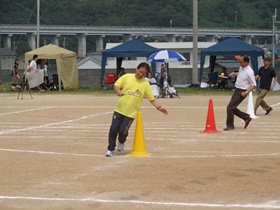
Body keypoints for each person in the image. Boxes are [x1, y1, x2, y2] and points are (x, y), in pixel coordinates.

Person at [106, 62, 168, 157]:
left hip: (131, 113)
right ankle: (110, 149)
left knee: (123, 131)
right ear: (136, 69)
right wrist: (118, 91)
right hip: (119, 109)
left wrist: (159, 107)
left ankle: (121, 141)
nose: (140, 75)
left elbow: (151, 99)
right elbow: (116, 85)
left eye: (143, 74)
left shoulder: (145, 84)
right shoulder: (127, 77)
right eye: (140, 72)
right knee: (113, 129)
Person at [224, 55, 256, 131]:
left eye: (241, 62)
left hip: (242, 91)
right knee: (232, 107)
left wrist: (246, 92)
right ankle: (246, 117)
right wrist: (235, 74)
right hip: (237, 89)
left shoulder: (250, 72)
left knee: (229, 107)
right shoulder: (242, 68)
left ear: (246, 62)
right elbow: (242, 74)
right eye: (239, 61)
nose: (240, 63)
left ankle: (230, 125)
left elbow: (254, 85)